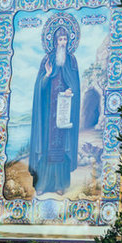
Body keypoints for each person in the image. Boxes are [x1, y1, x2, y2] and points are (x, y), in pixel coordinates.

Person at [28, 25, 81, 195]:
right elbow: (39, 87)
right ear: (54, 41)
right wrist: (47, 75)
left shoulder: (72, 60)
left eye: (65, 39)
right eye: (60, 39)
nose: (63, 43)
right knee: (46, 147)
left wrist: (70, 90)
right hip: (47, 112)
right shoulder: (47, 60)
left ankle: (60, 184)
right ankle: (42, 184)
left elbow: (75, 85)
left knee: (61, 147)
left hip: (64, 110)